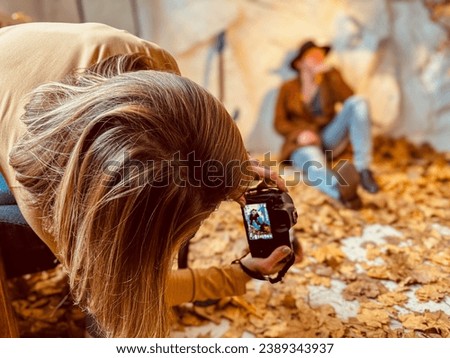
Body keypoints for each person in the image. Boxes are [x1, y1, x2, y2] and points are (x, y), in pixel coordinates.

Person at [0, 22, 297, 338]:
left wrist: (229, 168)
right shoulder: (49, 208)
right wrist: (239, 274)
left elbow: (181, 137)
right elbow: (119, 294)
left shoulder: (149, 60)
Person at [274, 40, 380, 209]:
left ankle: (364, 169)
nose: (319, 58)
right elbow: (279, 123)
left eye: (321, 56)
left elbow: (350, 101)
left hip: (328, 136)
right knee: (313, 163)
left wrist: (332, 75)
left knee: (359, 102)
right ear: (300, 63)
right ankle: (343, 193)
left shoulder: (330, 79)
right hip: (303, 143)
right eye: (313, 56)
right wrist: (299, 135)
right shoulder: (288, 88)